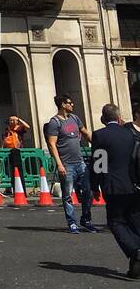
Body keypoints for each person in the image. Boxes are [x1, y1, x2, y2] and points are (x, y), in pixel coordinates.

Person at [89, 103, 140, 277]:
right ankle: (135, 265)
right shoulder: (130, 134)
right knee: (134, 219)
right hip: (133, 184)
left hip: (113, 185)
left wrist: (95, 185)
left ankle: (135, 250)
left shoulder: (100, 135)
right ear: (119, 118)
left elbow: (99, 163)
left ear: (103, 119)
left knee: (116, 221)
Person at [46, 93, 96, 234]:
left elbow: (86, 133)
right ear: (63, 104)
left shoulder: (75, 118)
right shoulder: (54, 122)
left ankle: (86, 219)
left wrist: (100, 144)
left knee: (88, 191)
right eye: (70, 102)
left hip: (80, 162)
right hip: (66, 164)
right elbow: (52, 144)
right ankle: (72, 222)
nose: (72, 104)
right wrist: (59, 164)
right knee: (67, 195)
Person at [2, 114, 30, 191]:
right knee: (8, 169)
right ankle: (9, 187)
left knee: (19, 170)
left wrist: (19, 119)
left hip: (18, 151)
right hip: (8, 151)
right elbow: (4, 140)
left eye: (14, 120)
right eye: (10, 120)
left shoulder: (19, 128)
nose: (12, 121)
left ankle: (20, 186)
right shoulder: (7, 129)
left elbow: (28, 127)